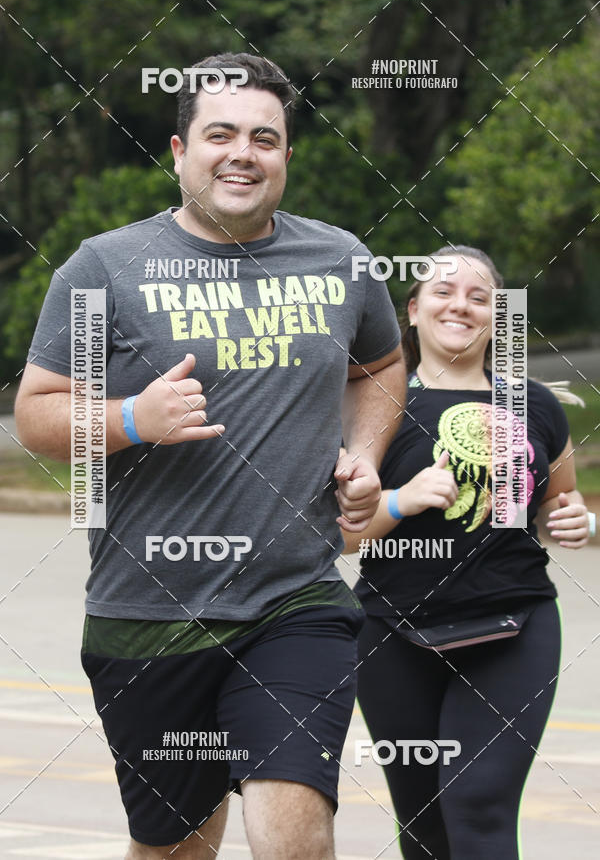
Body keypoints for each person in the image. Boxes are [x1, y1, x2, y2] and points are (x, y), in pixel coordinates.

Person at [15, 52, 405, 859]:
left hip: (295, 602)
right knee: (176, 847)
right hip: (147, 614)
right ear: (178, 151)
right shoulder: (105, 268)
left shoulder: (338, 260)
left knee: (292, 831)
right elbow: (36, 412)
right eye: (220, 133)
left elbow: (381, 366)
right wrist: (130, 415)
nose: (243, 152)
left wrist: (363, 454)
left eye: (265, 138)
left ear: (286, 157)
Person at [341, 246, 592, 860]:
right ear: (414, 307)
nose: (461, 305)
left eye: (479, 297)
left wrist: (576, 518)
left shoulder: (535, 404)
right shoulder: (372, 405)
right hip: (392, 635)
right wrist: (401, 501)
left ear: (496, 314)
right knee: (423, 826)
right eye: (443, 292)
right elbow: (333, 534)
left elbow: (563, 498)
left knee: (479, 805)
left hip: (513, 625)